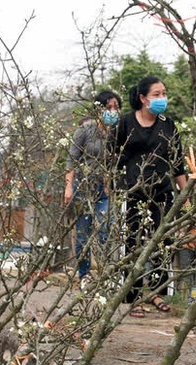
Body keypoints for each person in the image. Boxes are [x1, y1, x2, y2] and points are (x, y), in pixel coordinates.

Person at [109, 76, 187, 318]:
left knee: (161, 242)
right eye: (156, 94)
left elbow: (178, 161)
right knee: (132, 243)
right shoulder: (125, 123)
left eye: (164, 93)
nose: (162, 98)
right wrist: (112, 184)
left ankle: (156, 292)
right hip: (133, 192)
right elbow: (112, 156)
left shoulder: (167, 124)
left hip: (162, 192)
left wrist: (185, 195)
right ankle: (132, 297)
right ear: (143, 99)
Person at [64, 90, 122, 291]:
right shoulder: (85, 131)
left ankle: (105, 273)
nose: (112, 111)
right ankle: (85, 274)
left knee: (107, 226)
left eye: (116, 107)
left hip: (105, 188)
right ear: (99, 109)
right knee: (83, 232)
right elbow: (71, 158)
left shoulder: (118, 133)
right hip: (84, 186)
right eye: (108, 107)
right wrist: (69, 186)